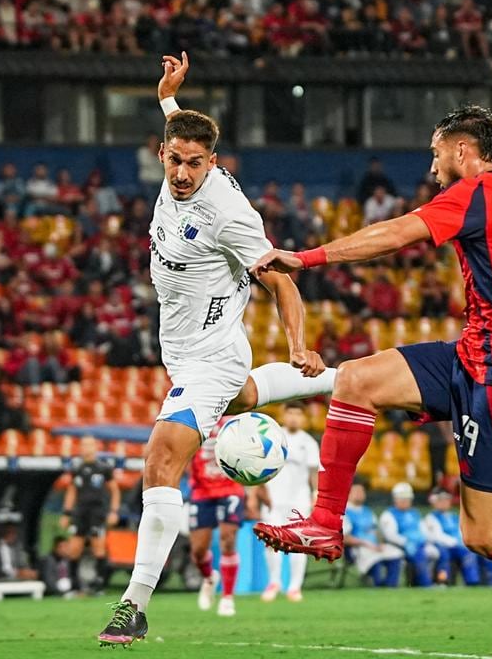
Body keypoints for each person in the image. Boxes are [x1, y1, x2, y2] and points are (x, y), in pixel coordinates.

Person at [253, 104, 492, 657]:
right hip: (470, 356)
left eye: (436, 152)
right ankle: (325, 523)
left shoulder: (479, 192)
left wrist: (307, 257)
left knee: (483, 534)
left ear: (463, 151)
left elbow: (398, 233)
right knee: (355, 379)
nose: (432, 164)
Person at [99, 53, 337, 647]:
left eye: (196, 165)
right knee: (248, 394)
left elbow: (280, 277)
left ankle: (135, 605)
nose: (183, 174)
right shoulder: (179, 157)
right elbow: (181, 127)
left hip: (211, 356)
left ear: (215, 164)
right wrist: (167, 98)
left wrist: (298, 340)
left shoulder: (227, 212)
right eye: (175, 161)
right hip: (184, 350)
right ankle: (341, 379)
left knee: (159, 462)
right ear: (162, 154)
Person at [256, 402, 319, 602]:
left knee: (298, 543)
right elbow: (259, 465)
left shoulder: (308, 442)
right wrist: (260, 489)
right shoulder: (273, 437)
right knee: (270, 542)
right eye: (290, 413)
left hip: (298, 499)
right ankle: (274, 582)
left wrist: (315, 494)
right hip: (274, 499)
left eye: (297, 414)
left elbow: (313, 472)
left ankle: (294, 587)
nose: (293, 417)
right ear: (283, 416)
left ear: (303, 418)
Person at [187, 420, 247, 617]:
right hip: (202, 491)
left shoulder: (235, 423)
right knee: (198, 551)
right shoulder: (196, 420)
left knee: (228, 540)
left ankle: (228, 598)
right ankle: (209, 578)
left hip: (230, 487)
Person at [60, 437, 120, 592]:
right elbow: (72, 491)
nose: (86, 448)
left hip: (97, 512)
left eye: (89, 445)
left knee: (98, 547)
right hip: (80, 512)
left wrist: (114, 511)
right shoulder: (76, 468)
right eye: (83, 445)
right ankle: (74, 585)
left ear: (95, 447)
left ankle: (99, 584)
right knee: (74, 548)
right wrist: (66, 513)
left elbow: (114, 491)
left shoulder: (103, 468)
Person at [343, 484, 404, 587]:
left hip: (374, 546)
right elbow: (344, 538)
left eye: (362, 492)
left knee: (396, 554)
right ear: (348, 494)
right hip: (357, 548)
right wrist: (366, 544)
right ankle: (377, 584)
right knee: (374, 558)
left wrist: (380, 544)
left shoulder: (368, 511)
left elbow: (376, 531)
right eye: (357, 492)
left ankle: (391, 585)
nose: (360, 494)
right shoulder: (345, 512)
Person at [379, 482, 438, 587]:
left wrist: (424, 540)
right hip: (400, 546)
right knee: (420, 555)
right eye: (402, 499)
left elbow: (423, 530)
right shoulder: (388, 514)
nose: (405, 501)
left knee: (439, 552)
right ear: (395, 499)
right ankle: (426, 584)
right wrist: (406, 542)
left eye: (408, 499)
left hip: (419, 544)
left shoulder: (414, 513)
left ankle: (441, 582)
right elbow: (390, 535)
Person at [422, 488, 481, 586]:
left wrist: (461, 542)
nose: (445, 503)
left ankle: (472, 582)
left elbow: (461, 531)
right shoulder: (431, 518)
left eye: (447, 500)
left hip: (456, 546)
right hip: (440, 546)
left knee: (468, 553)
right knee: (444, 554)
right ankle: (442, 581)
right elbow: (437, 536)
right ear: (435, 502)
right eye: (441, 500)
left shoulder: (454, 517)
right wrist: (455, 542)